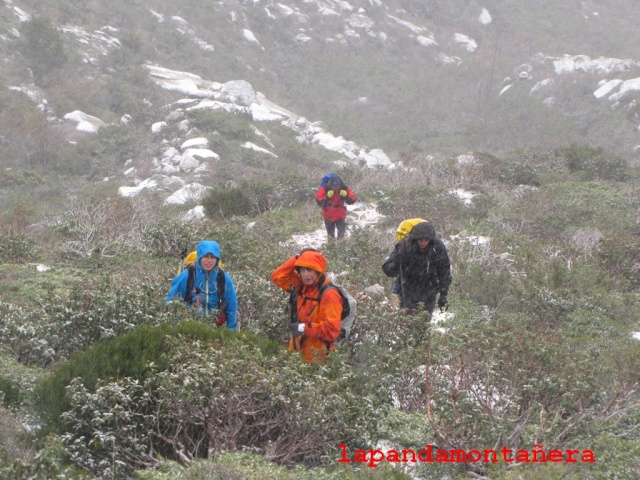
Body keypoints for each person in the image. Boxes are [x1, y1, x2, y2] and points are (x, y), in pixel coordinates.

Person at [271, 248, 342, 364]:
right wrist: (297, 258)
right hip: (297, 352)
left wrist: (303, 328)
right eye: (302, 270)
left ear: (318, 271)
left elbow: (332, 330)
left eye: (310, 270)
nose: (306, 275)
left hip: (318, 359)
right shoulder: (302, 286)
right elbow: (278, 277)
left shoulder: (329, 294)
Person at [166, 240, 238, 331]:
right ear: (199, 257)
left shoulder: (224, 278)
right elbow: (171, 301)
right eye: (206, 256)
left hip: (216, 329)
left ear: (217, 259)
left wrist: (231, 333)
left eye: (213, 257)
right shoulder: (186, 276)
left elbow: (232, 306)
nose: (209, 260)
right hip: (189, 328)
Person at [382, 222, 451, 314]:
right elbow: (388, 269)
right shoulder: (405, 246)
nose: (423, 243)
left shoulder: (437, 247)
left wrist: (443, 294)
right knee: (407, 322)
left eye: (426, 240)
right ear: (415, 239)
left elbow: (444, 271)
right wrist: (398, 261)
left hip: (429, 292)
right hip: (407, 291)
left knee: (424, 323)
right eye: (420, 240)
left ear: (430, 240)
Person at [315, 173, 357, 240]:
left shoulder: (343, 188)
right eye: (333, 186)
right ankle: (332, 248)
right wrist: (327, 197)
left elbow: (352, 200)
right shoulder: (325, 188)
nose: (335, 188)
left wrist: (345, 196)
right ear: (330, 183)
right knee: (330, 236)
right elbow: (319, 202)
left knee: (341, 236)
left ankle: (341, 248)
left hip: (340, 215)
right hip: (328, 216)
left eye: (336, 186)